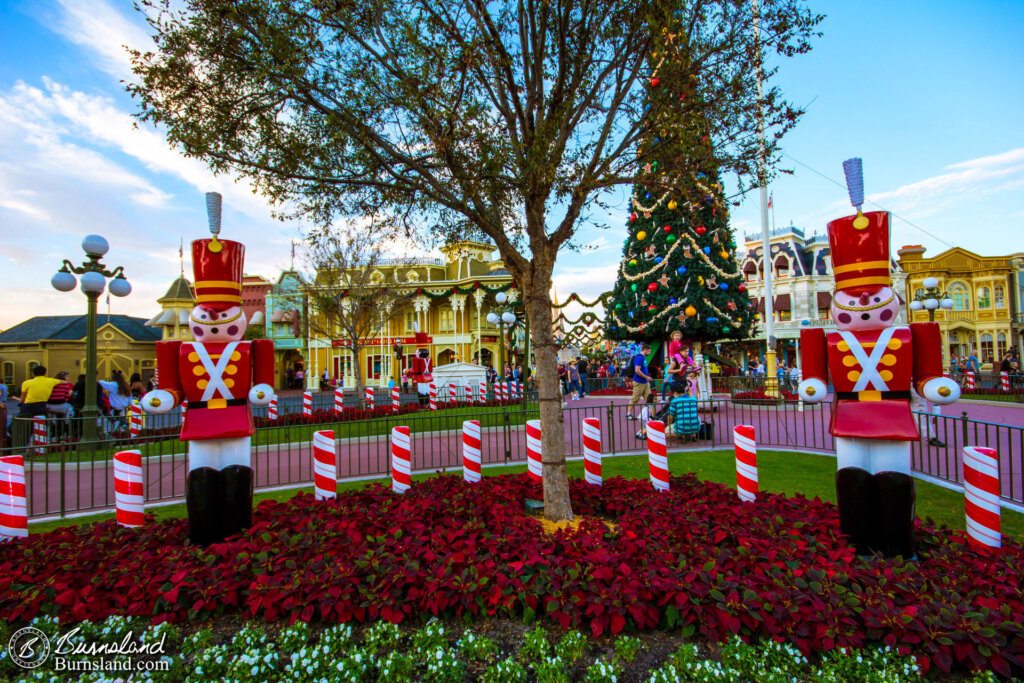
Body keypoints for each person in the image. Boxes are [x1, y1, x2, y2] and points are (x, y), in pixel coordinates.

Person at [626, 343, 652, 421]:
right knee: (635, 398)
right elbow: (637, 370)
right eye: (649, 351)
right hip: (639, 381)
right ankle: (628, 414)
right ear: (645, 350)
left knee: (649, 398)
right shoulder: (639, 358)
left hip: (644, 382)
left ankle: (649, 414)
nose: (649, 353)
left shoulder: (643, 358)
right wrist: (646, 377)